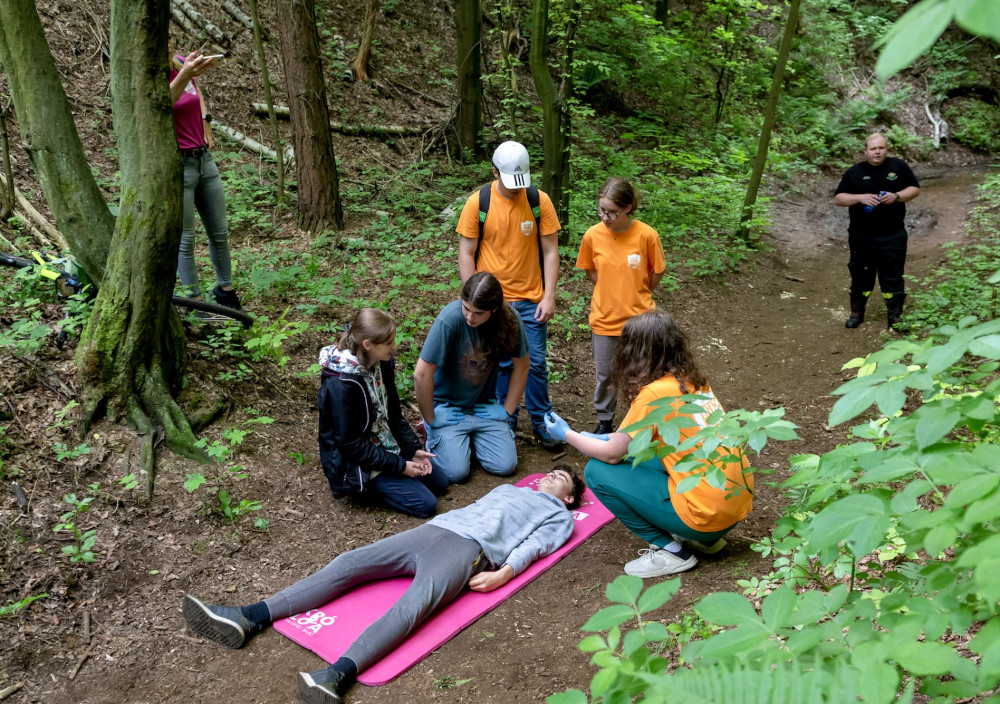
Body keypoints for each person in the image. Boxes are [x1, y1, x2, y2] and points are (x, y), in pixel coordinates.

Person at [183, 466, 585, 704]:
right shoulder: (508, 488)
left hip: (469, 550)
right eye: (554, 470)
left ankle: (336, 676)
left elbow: (535, 546)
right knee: (351, 562)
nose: (553, 474)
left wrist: (505, 572)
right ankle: (248, 617)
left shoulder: (559, 517)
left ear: (568, 498)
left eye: (563, 477)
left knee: (413, 606)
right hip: (437, 529)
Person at [543, 310, 752, 579]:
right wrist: (590, 437)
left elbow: (612, 454)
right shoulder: (692, 379)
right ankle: (707, 540)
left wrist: (567, 435)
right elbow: (628, 440)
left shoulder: (654, 393)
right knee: (651, 450)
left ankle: (672, 551)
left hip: (706, 516)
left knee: (597, 472)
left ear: (634, 352)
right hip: (735, 505)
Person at [456, 141, 563, 451]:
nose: (516, 189)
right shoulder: (479, 203)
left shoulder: (538, 200)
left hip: (532, 299)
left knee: (537, 363)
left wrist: (549, 295)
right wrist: (476, 301)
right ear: (494, 171)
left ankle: (542, 421)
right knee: (502, 363)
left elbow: (551, 250)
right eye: (509, 182)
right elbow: (467, 253)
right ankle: (506, 419)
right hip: (495, 303)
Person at [317, 308, 448, 518]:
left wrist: (412, 449)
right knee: (426, 505)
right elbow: (351, 444)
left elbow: (393, 412)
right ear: (367, 345)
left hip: (385, 442)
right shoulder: (341, 385)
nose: (394, 347)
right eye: (389, 343)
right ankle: (369, 490)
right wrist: (400, 466)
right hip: (361, 460)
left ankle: (397, 474)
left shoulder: (382, 363)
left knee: (440, 482)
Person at [413, 272, 528, 483]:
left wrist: (506, 410)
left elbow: (522, 366)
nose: (470, 317)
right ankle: (431, 430)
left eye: (478, 312)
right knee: (455, 473)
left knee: (505, 465)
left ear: (494, 309)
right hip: (449, 408)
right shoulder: (450, 319)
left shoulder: (510, 319)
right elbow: (421, 374)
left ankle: (466, 441)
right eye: (466, 308)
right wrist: (431, 417)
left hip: (484, 408)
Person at [577, 177, 666, 435]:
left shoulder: (647, 235)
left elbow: (656, 272)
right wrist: (610, 286)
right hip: (604, 319)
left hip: (641, 322)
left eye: (612, 212)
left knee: (642, 375)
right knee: (606, 375)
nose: (605, 217)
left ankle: (638, 424)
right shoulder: (593, 236)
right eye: (601, 210)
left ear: (628, 207)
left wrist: (637, 290)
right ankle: (605, 420)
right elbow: (591, 271)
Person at [169, 49, 242, 311]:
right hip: (179, 165)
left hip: (204, 159)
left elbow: (196, 94)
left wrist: (205, 120)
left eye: (169, 39)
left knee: (219, 232)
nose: (166, 44)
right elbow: (164, 102)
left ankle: (225, 291)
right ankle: (195, 301)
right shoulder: (151, 75)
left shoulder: (179, 61)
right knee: (186, 239)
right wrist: (185, 73)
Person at [833, 132, 920, 330]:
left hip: (893, 234)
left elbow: (914, 189)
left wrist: (897, 196)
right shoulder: (854, 172)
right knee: (861, 274)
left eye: (881, 148)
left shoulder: (898, 167)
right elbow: (838, 199)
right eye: (873, 149)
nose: (877, 152)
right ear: (865, 151)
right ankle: (857, 313)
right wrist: (860, 198)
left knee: (893, 275)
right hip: (861, 236)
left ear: (886, 149)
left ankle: (895, 317)